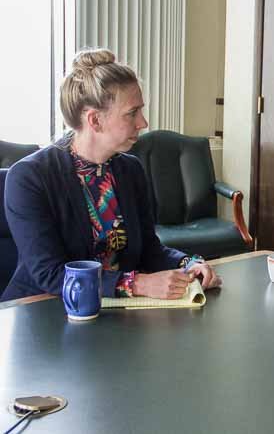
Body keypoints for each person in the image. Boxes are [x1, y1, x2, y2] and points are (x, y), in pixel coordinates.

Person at [1, 49, 221, 302]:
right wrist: (138, 284)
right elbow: (51, 275)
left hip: (113, 310)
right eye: (132, 113)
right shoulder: (29, 177)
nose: (143, 122)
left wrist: (189, 263)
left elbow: (149, 249)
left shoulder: (130, 169)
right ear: (95, 120)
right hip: (44, 311)